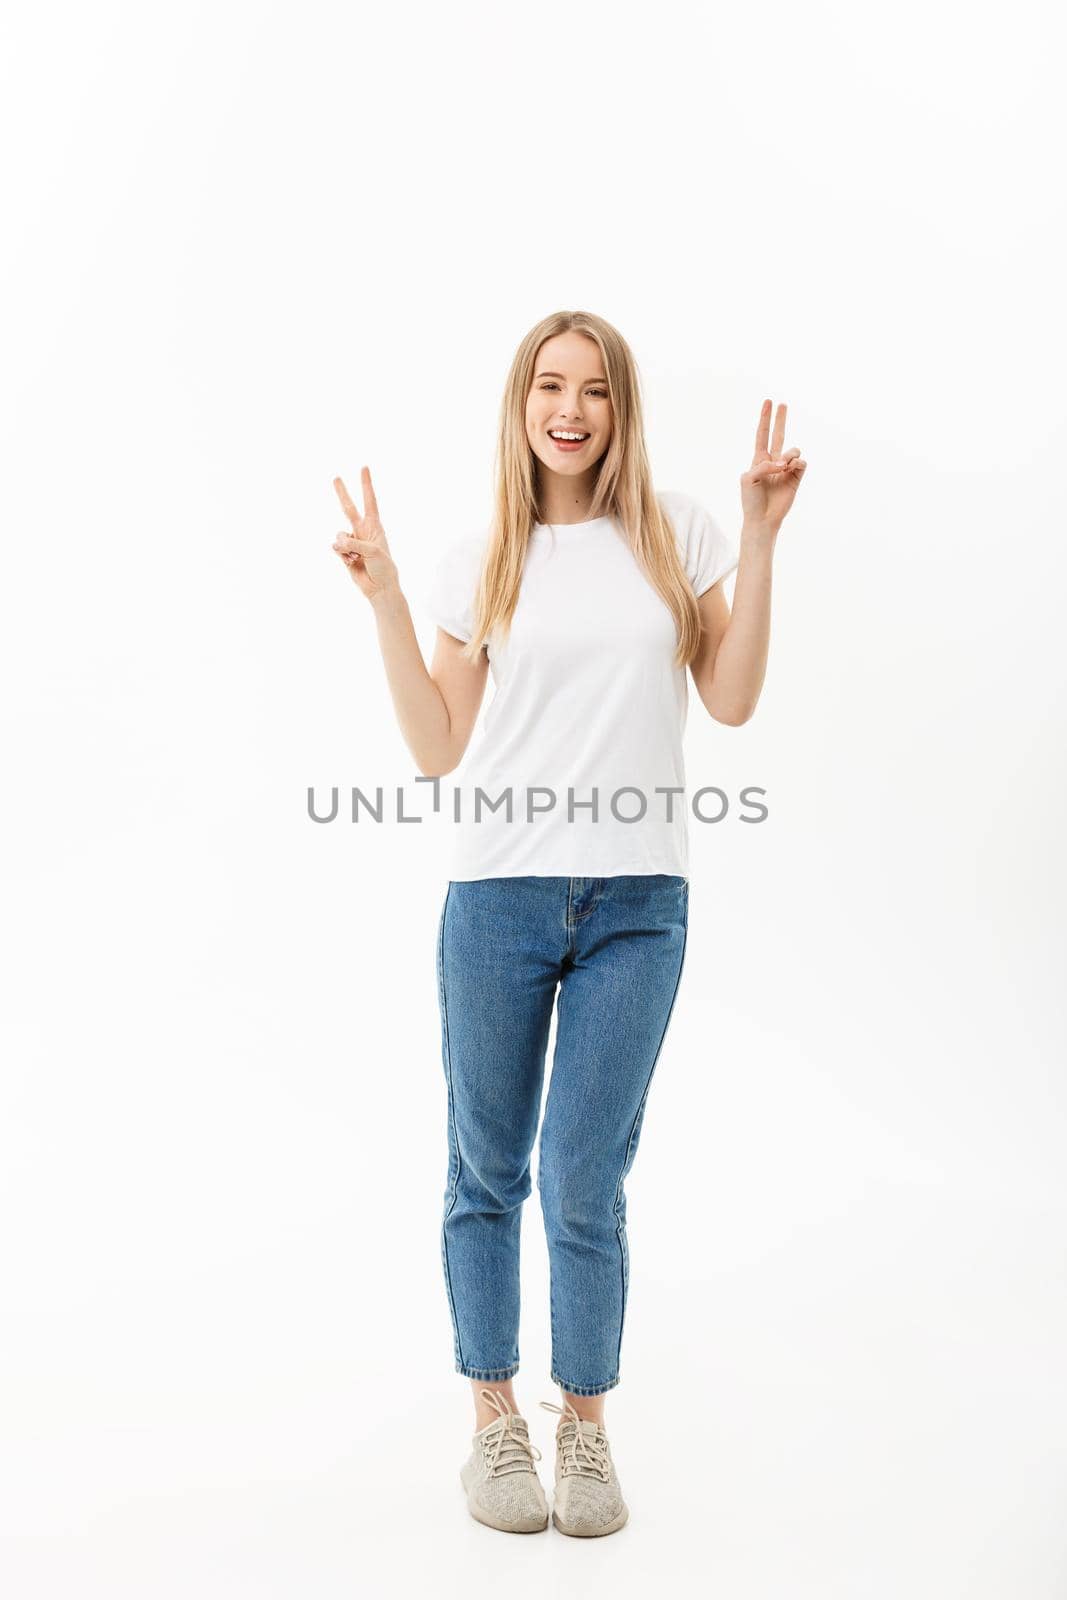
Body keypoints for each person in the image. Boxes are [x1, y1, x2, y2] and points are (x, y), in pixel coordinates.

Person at [330, 309, 807, 1537]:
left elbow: (733, 698)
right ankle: (493, 1420)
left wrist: (756, 542)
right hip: (496, 896)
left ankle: (582, 1430)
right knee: (486, 1168)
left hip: (638, 907)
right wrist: (384, 599)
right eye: (550, 383)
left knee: (583, 1179)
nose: (570, 407)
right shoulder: (478, 554)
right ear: (521, 400)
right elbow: (437, 749)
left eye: (593, 389)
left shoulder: (675, 533)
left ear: (618, 407)